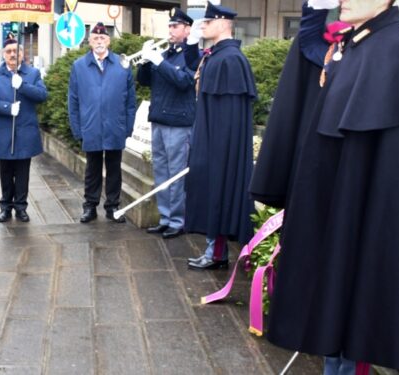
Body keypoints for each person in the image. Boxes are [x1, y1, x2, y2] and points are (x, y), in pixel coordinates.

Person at [253, 0, 399, 371]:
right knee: (334, 324)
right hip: (341, 217)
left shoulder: (395, 51)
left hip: (362, 229)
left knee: (350, 328)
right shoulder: (360, 44)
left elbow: (393, 183)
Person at [183, 3, 257, 270]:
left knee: (219, 192)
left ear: (224, 23)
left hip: (220, 144)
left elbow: (228, 115)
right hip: (210, 138)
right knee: (211, 192)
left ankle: (216, 253)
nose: (202, 26)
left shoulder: (230, 59)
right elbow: (194, 66)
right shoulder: (216, 55)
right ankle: (215, 250)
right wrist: (190, 44)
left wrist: (217, 149)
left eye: (207, 22)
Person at [137, 7, 197, 239]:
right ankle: (165, 217)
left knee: (176, 174)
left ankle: (178, 220)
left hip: (179, 123)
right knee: (161, 171)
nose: (171, 30)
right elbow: (144, 82)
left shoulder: (191, 55)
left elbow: (183, 81)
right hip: (159, 120)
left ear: (187, 29)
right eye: (170, 26)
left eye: (175, 26)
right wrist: (145, 60)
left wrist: (159, 62)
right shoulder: (166, 54)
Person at [68, 22, 137, 224]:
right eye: (95, 38)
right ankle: (90, 206)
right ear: (89, 42)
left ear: (109, 41)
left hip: (115, 126)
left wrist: (128, 127)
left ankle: (113, 206)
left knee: (115, 168)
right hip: (91, 126)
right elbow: (73, 99)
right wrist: (77, 128)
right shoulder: (79, 66)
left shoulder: (122, 65)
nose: (99, 41)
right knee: (92, 169)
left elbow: (130, 101)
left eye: (103, 38)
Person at [0, 37, 48, 223]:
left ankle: (20, 207)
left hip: (25, 132)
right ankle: (5, 207)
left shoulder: (32, 73)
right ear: (3, 54)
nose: (12, 54)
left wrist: (23, 86)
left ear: (22, 54)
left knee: (22, 172)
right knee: (5, 172)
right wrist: (6, 108)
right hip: (4, 131)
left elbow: (42, 95)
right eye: (9, 51)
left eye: (16, 51)